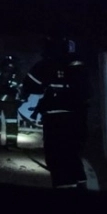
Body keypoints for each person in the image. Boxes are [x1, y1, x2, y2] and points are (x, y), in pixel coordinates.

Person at [27, 37, 90, 188]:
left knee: (56, 154)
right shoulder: (78, 65)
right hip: (78, 116)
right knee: (72, 152)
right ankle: (81, 184)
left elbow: (30, 85)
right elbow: (87, 92)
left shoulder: (46, 65)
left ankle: (64, 190)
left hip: (55, 118)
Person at [0, 56, 24, 146]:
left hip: (6, 102)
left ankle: (9, 141)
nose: (9, 67)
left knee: (9, 121)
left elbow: (21, 87)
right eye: (8, 65)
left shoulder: (16, 74)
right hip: (1, 102)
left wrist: (20, 100)